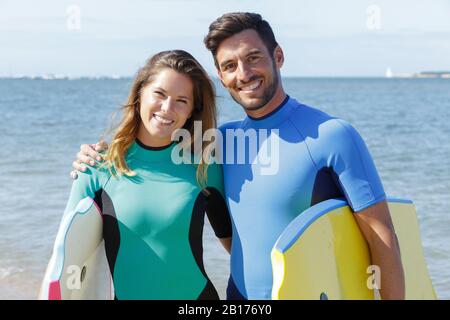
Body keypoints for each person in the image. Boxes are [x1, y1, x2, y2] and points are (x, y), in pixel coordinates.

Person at [71, 13, 405, 300]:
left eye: (254, 58)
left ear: (279, 56)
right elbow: (156, 164)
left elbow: (383, 236)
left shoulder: (332, 136)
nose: (243, 73)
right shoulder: (218, 142)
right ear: (221, 76)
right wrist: (93, 156)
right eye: (230, 65)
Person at [55, 50, 232, 299]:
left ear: (192, 110)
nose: (167, 108)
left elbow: (235, 244)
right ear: (140, 94)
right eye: (159, 94)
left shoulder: (205, 167)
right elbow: (66, 256)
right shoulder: (97, 167)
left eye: (182, 100)